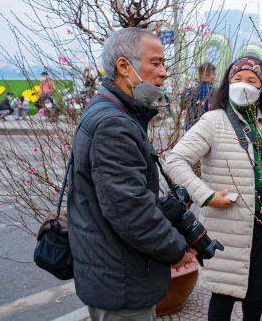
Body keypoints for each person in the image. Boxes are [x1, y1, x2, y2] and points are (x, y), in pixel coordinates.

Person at [68, 28, 192, 321]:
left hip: (113, 271)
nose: (163, 73)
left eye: (164, 64)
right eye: (156, 63)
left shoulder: (109, 111)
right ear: (124, 67)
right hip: (120, 281)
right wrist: (176, 249)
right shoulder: (114, 124)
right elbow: (131, 212)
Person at [165, 56, 262, 321]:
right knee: (223, 295)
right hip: (229, 225)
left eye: (251, 80)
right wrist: (206, 196)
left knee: (256, 294)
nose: (243, 85)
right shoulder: (213, 121)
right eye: (237, 79)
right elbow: (175, 161)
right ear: (227, 83)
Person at [182, 62, 216, 130]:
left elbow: (183, 106)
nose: (215, 77)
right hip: (206, 128)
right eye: (214, 74)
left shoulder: (190, 90)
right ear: (209, 75)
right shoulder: (214, 92)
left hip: (190, 126)